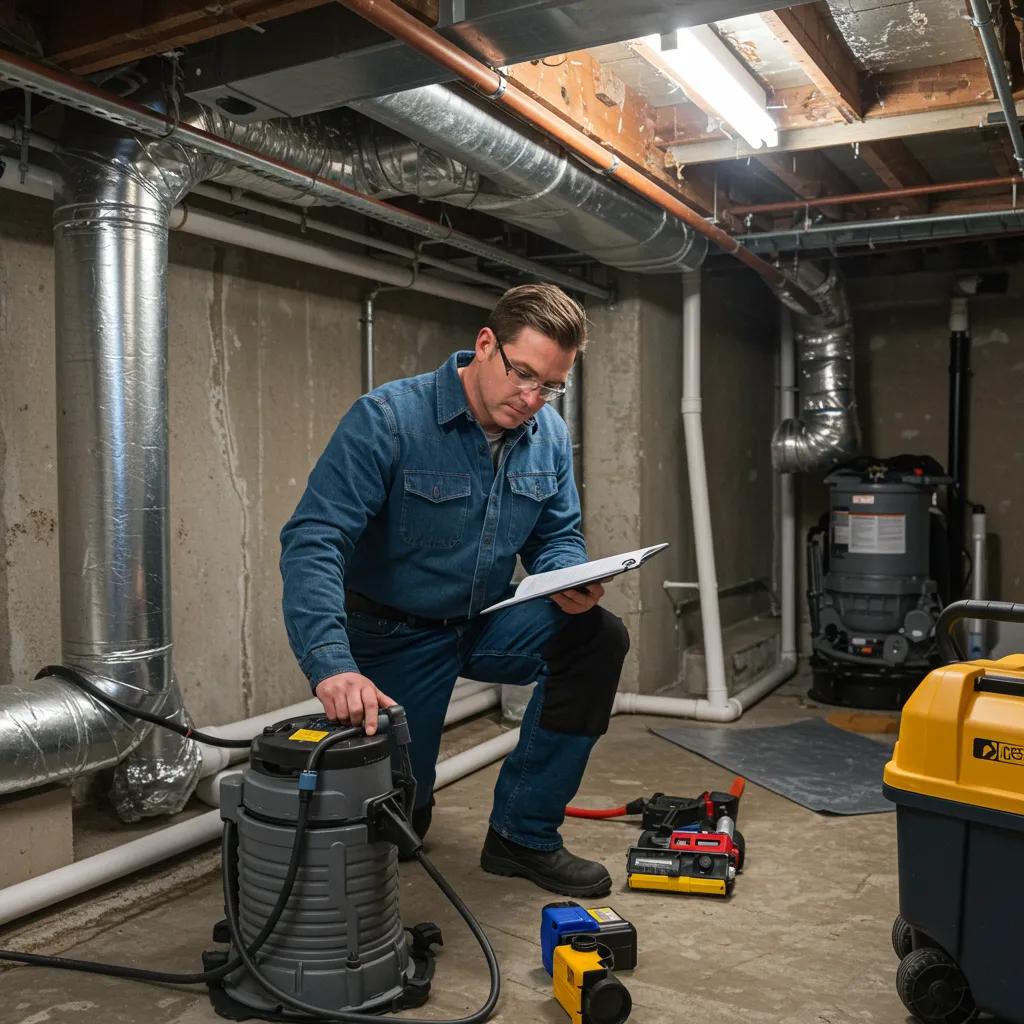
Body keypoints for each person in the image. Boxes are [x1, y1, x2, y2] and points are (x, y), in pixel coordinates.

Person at [280, 283, 629, 897]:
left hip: (485, 619)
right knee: (398, 832)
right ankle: (408, 800)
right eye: (523, 375)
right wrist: (331, 665)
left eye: (550, 386)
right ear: (486, 344)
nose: (532, 399)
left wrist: (569, 574)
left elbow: (557, 536)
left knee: (597, 637)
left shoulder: (547, 435)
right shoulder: (389, 420)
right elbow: (315, 540)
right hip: (393, 636)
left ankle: (523, 835)